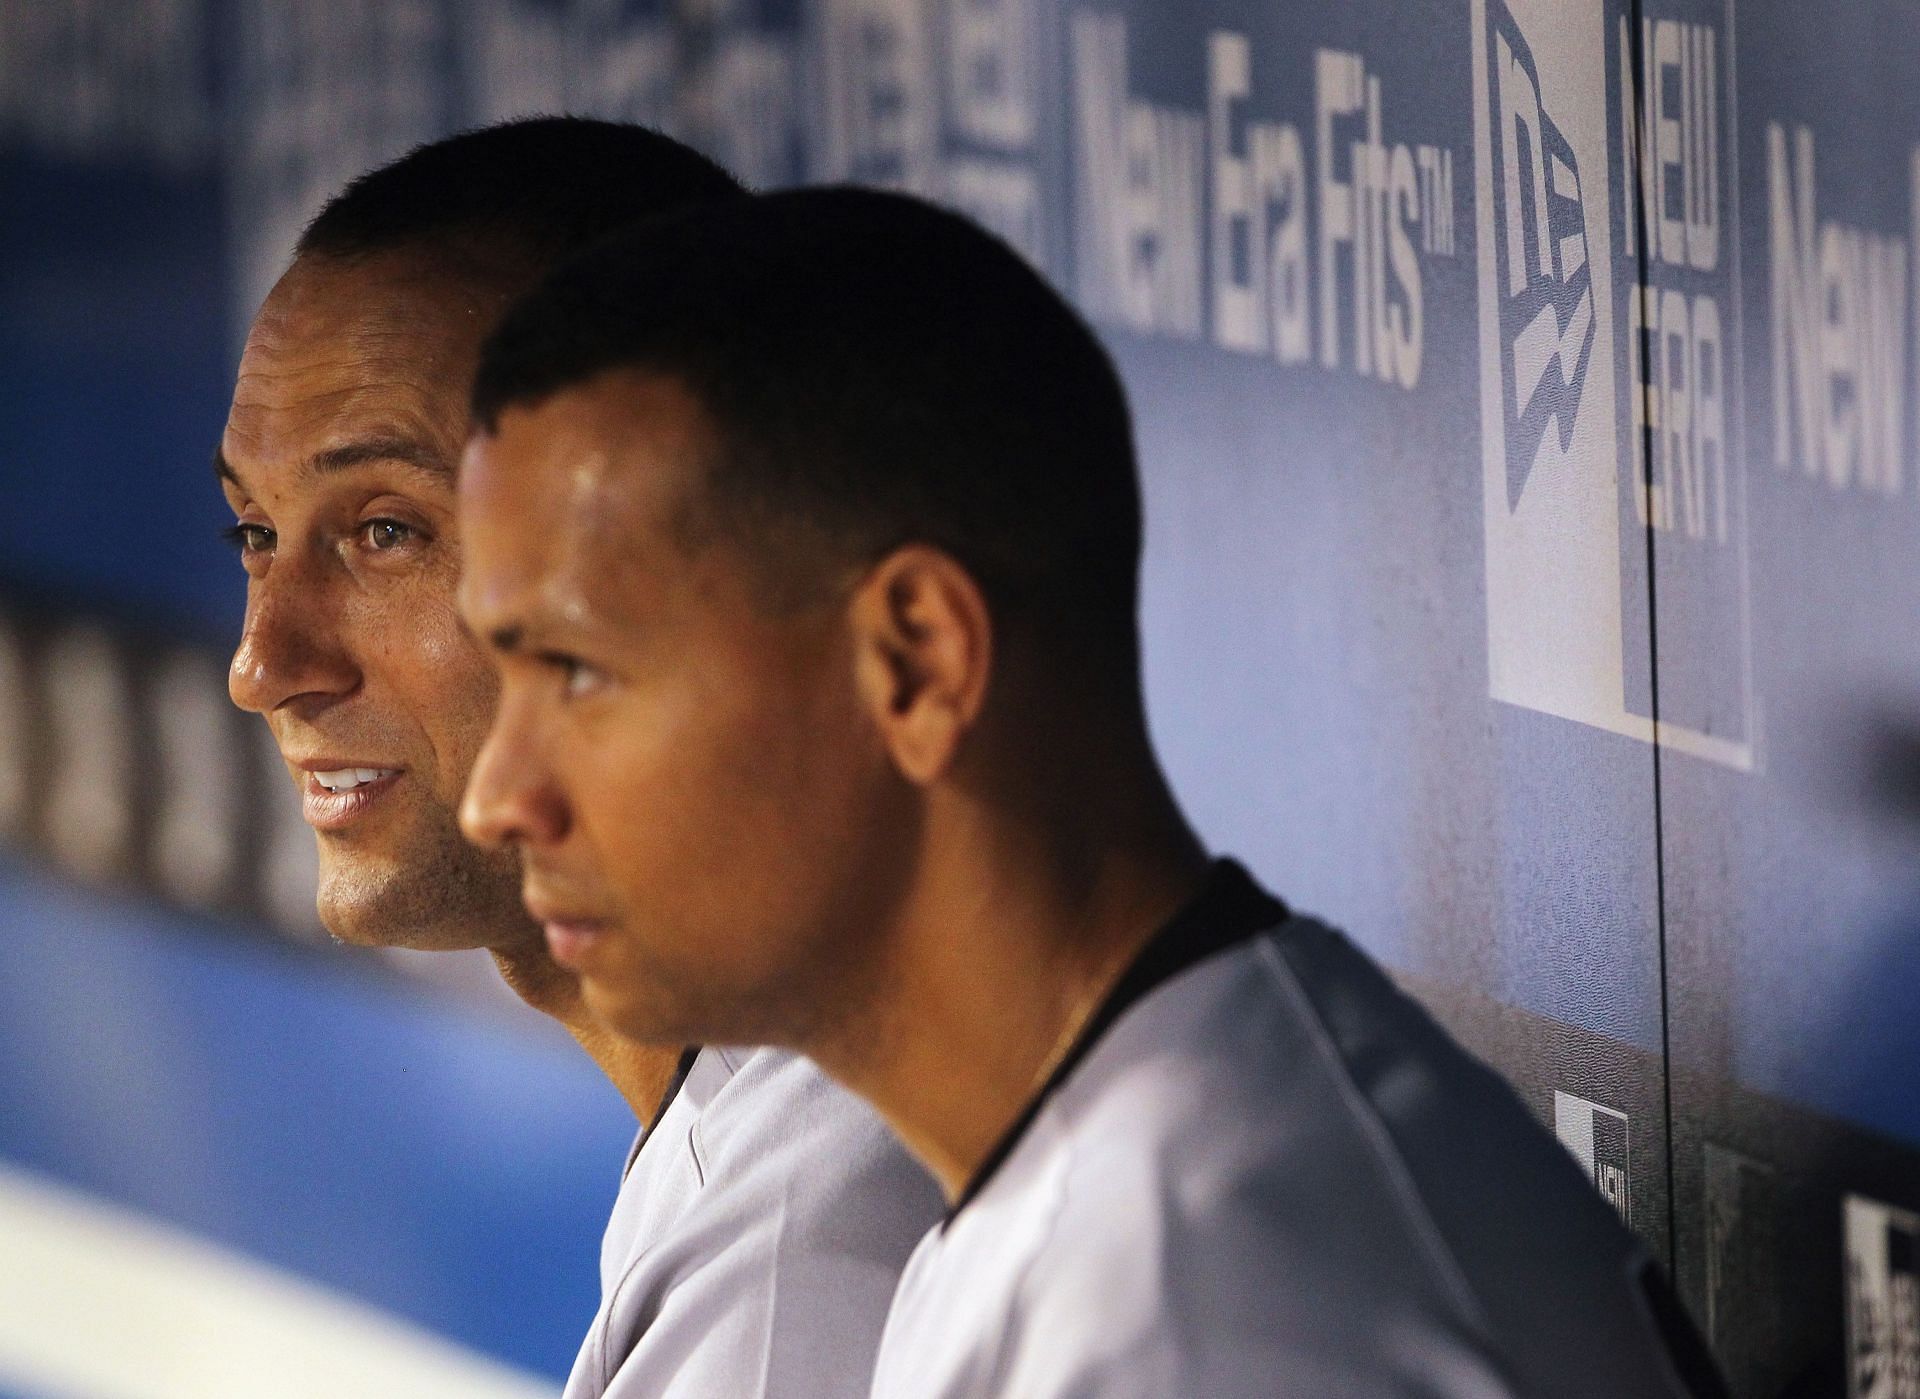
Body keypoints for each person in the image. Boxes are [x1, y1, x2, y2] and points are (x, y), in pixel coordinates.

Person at [457, 186, 1731, 1398]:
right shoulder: (1120, 1180)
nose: (499, 795)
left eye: (574, 671)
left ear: (916, 660)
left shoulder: (1196, 1305)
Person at [215, 121, 940, 1399]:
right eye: (256, 534)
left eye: (385, 531)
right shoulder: (766, 1123)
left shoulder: (800, 1247)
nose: (264, 662)